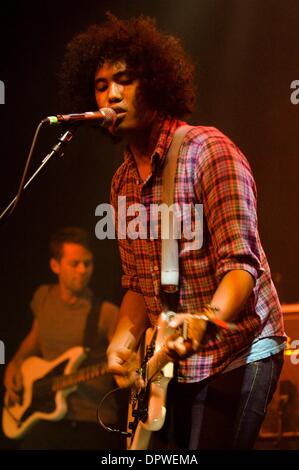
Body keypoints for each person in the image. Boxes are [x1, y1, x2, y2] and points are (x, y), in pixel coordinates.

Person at [59, 15, 286, 450]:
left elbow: (241, 267)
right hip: (175, 361)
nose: (110, 94)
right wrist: (119, 344)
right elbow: (138, 286)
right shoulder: (122, 182)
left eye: (124, 80)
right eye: (101, 84)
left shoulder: (208, 151)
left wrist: (205, 320)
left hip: (242, 346)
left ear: (156, 84)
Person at [3, 227, 124, 450]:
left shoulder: (106, 312)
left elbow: (125, 360)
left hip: (92, 421)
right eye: (75, 263)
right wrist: (14, 365)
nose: (83, 270)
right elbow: (33, 341)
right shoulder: (43, 297)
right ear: (55, 265)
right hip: (44, 419)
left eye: (88, 263)